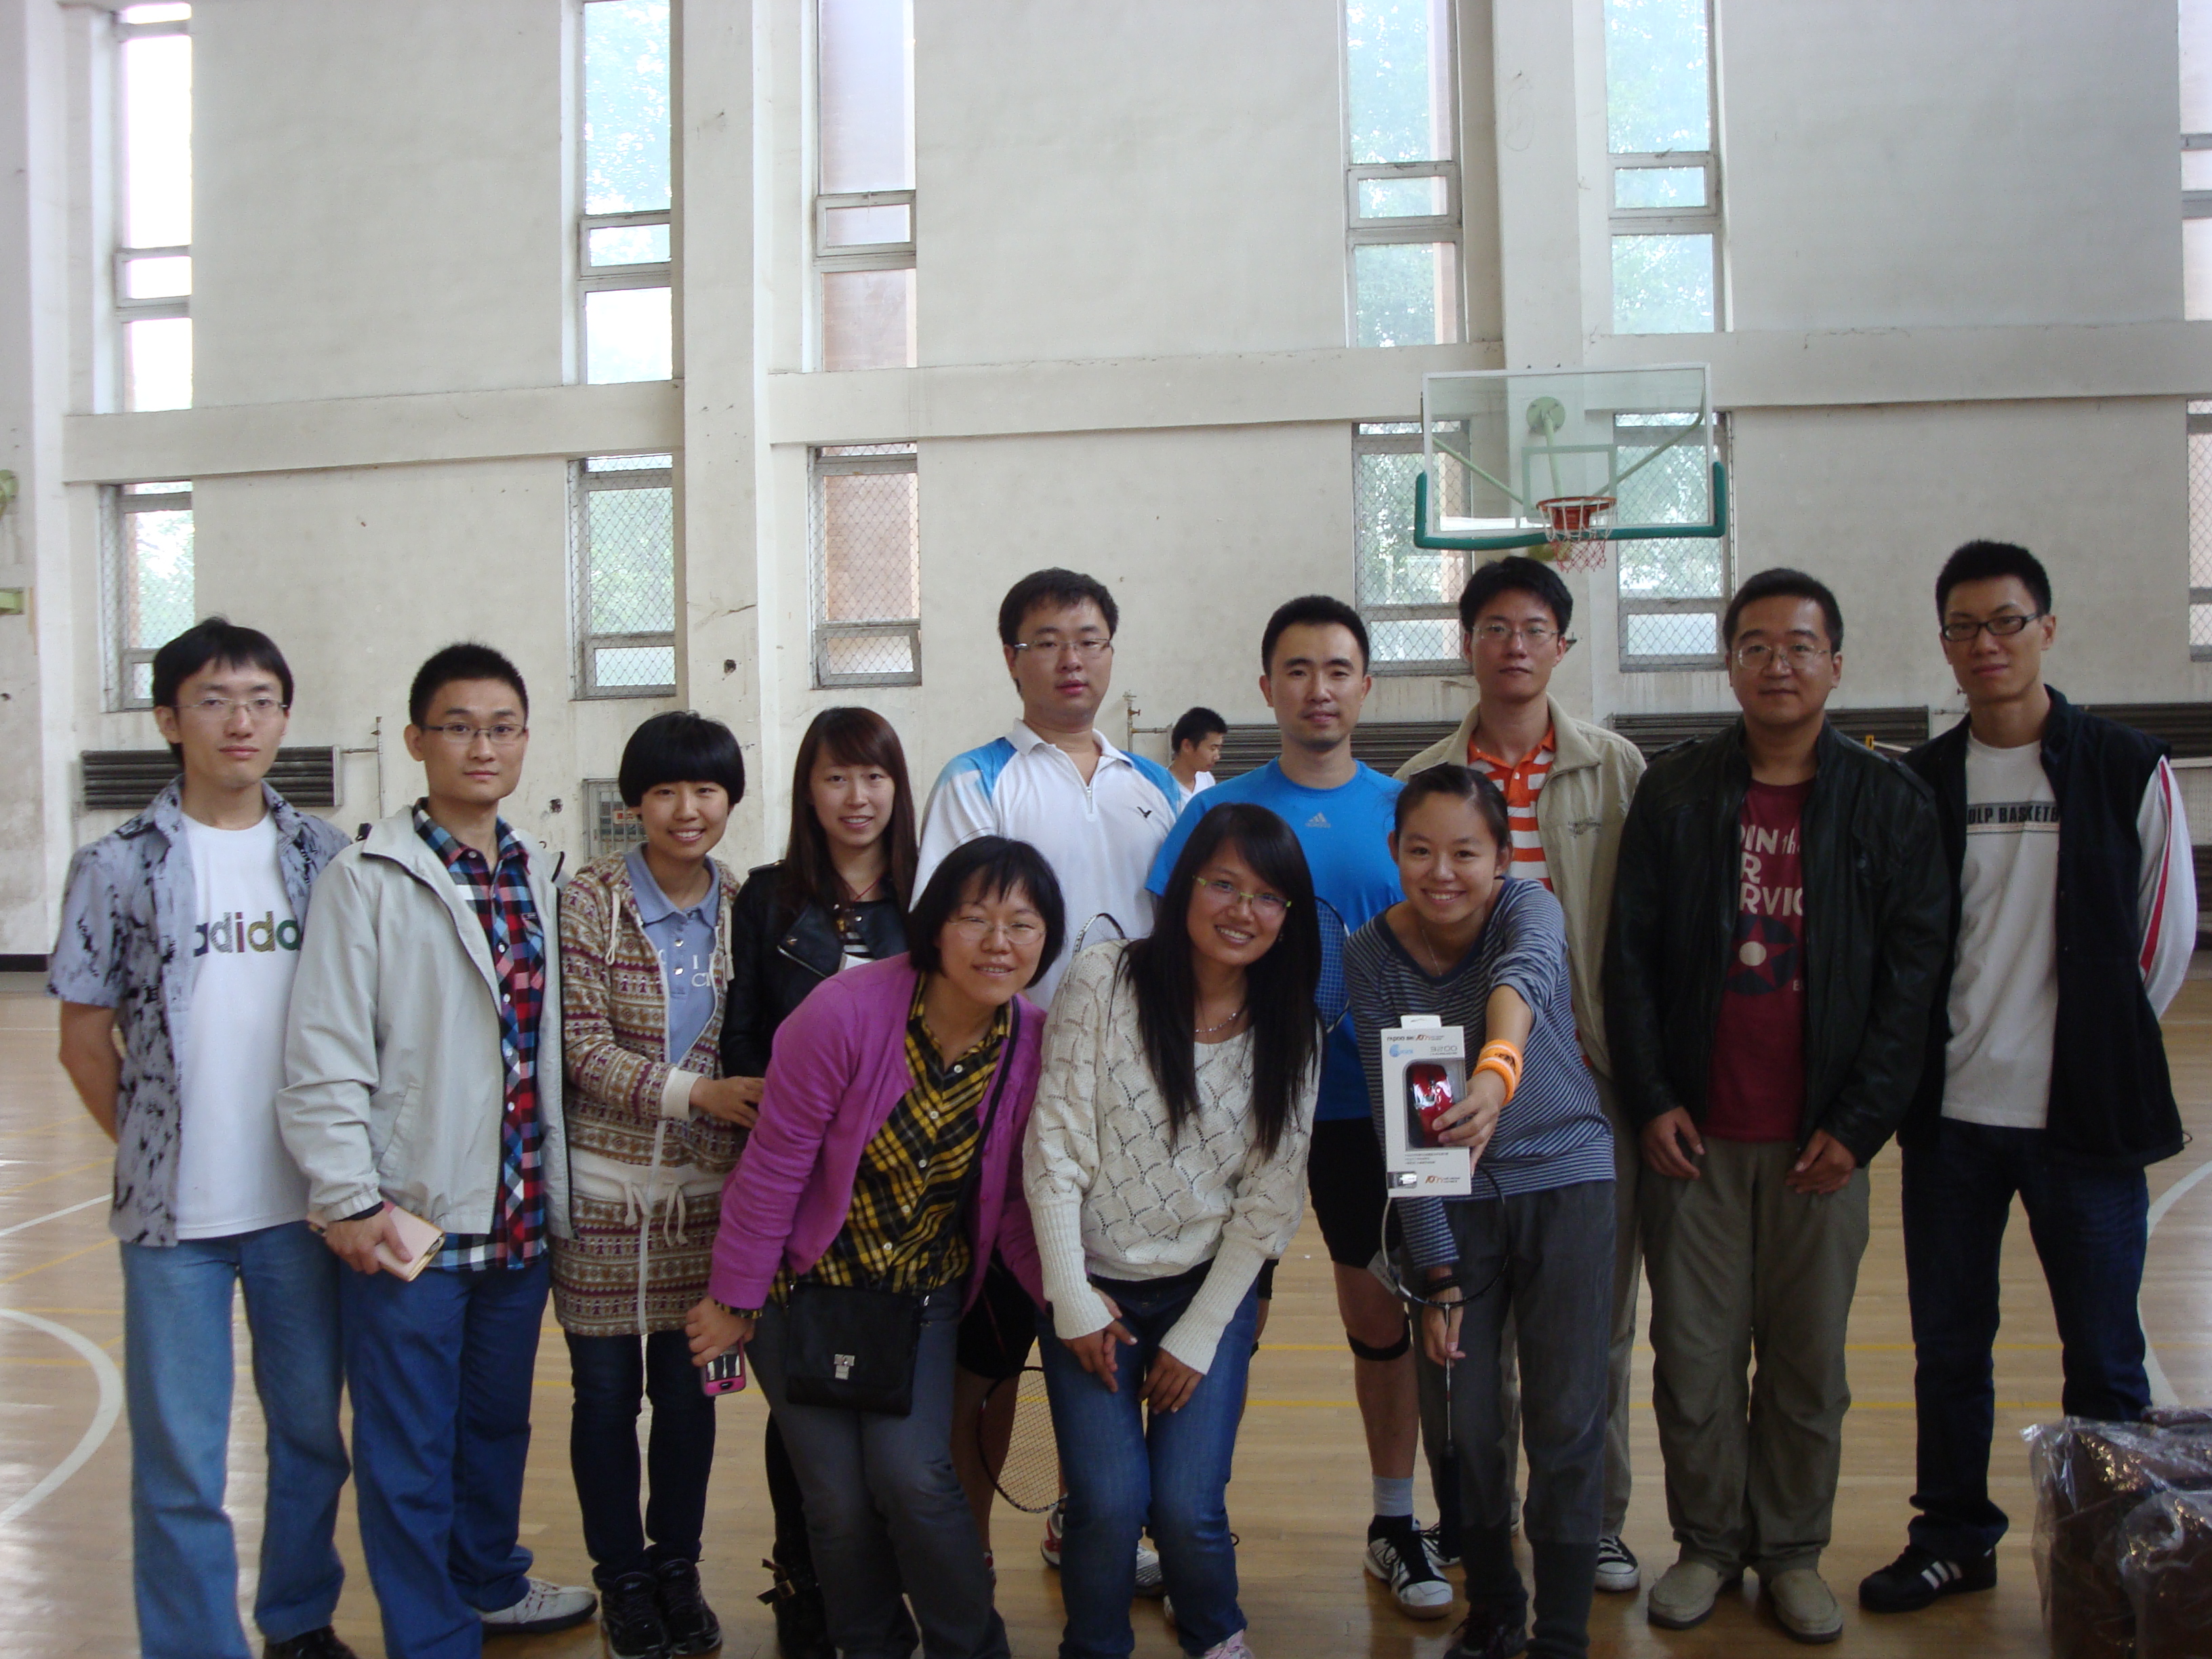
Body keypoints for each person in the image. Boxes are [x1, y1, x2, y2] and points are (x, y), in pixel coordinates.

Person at [1605, 569, 1948, 1642]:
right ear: (1730, 664)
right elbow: (1630, 960)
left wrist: (1861, 1125)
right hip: (1695, 1140)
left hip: (1820, 1147)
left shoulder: (1890, 801)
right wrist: (1653, 1098)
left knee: (1808, 1368)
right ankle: (1709, 1545)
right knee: (1694, 1365)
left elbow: (1912, 982)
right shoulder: (1677, 791)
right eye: (1755, 645)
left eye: (1800, 645)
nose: (1778, 664)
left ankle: (1793, 1552)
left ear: (1835, 664)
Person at [1860, 541, 2196, 1614]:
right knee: (1951, 1351)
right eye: (1964, 627)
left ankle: (2117, 1561)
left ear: (2046, 628)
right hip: (1951, 1125)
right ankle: (1955, 1537)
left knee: (2105, 1359)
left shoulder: (2127, 766)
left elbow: (2163, 936)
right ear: (1945, 644)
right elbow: (1900, 948)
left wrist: (2092, 1048)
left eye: (2006, 621)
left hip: (2085, 1125)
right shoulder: (1921, 784)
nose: (1986, 644)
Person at [279, 643, 595, 1658]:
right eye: (458, 727)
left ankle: (488, 1582)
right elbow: (324, 1050)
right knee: (408, 1446)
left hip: (518, 1218)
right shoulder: (366, 877)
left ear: (526, 740)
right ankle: (429, 1635)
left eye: (501, 727)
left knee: (496, 1425)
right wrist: (347, 1197)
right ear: (417, 741)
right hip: (408, 1217)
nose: (482, 747)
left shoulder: (542, 873)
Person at [49, 619, 356, 1659]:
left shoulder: (327, 856)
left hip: (304, 1210)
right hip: (173, 1224)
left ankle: (299, 1619)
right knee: (181, 1459)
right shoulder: (115, 865)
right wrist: (155, 1147)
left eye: (262, 701)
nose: (241, 721)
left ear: (285, 717)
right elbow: (84, 1042)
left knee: (311, 1435)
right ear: (168, 719)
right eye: (216, 700)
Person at [688, 838, 1064, 1659]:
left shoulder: (1032, 1042)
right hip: (800, 1295)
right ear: (933, 926)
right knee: (835, 1502)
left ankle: (972, 1648)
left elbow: (1011, 1203)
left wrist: (1065, 1302)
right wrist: (733, 1298)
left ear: (1047, 939)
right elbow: (775, 1166)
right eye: (975, 918)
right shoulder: (845, 1012)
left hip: (919, 1297)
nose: (998, 943)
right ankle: (872, 1646)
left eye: (1022, 924)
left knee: (916, 1480)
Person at [1149, 596, 1449, 1618]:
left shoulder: (1410, 809)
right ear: (1266, 685)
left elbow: (1449, 952)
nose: (1319, 689)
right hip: (1245, 1099)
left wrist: (1445, 1107)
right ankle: (1188, 1520)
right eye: (1297, 669)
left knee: (1387, 1307)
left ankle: (1398, 1520)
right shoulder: (1216, 816)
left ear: (1366, 685)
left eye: (1337, 669)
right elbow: (1170, 956)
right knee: (1225, 1308)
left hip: (1382, 1101)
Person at [1397, 557, 1648, 1594]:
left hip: (1586, 1095)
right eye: (1495, 626)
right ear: (1467, 644)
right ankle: (1474, 1524)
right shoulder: (1423, 777)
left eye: (1534, 628)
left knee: (1593, 1332)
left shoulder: (1618, 771)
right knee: (1456, 1321)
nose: (1514, 645)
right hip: (1448, 1096)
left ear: (1562, 647)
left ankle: (1592, 1525)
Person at [1027, 803, 1324, 1659]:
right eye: (1223, 884)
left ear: (1288, 917)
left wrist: (1199, 1333)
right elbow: (1055, 1148)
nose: (1242, 911)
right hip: (1093, 1291)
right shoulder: (1104, 977)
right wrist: (1072, 1297)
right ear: (1184, 885)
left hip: (1203, 1294)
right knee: (1108, 1505)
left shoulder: (1293, 1030)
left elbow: (1268, 1204)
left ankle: (1215, 1636)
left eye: (1267, 897)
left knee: (1190, 1510)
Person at [1349, 765, 1617, 1659]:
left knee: (1567, 1413)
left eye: (1466, 852)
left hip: (1565, 1183)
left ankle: (1563, 1632)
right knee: (1463, 1419)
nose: (1443, 873)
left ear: (1502, 858)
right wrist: (1436, 1273)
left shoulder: (1528, 911)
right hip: (1451, 1203)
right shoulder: (1372, 956)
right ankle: (1496, 1605)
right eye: (1421, 851)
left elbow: (1522, 981)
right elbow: (1402, 1126)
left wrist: (1496, 1075)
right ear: (1395, 853)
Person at [721, 705, 918, 1659]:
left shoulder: (926, 894)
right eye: (836, 777)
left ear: (897, 787)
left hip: (908, 1195)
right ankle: (800, 1584)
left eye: (873, 776)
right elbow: (745, 1040)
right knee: (803, 1404)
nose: (857, 796)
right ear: (808, 790)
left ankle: (877, 1594)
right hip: (802, 1191)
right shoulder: (768, 899)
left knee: (887, 1407)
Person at [554, 712, 752, 1659]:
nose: (686, 809)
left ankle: (677, 1568)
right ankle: (621, 1579)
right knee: (603, 1397)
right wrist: (697, 1093)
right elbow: (581, 1045)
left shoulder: (748, 904)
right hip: (601, 1199)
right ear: (634, 803)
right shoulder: (590, 900)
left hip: (709, 1208)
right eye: (665, 791)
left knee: (690, 1394)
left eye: (706, 789)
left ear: (729, 799)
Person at [916, 568, 1180, 1010]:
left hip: (1145, 1035)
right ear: (1011, 659)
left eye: (1090, 642)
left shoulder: (1161, 787)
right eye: (1047, 643)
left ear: (1110, 652)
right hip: (1021, 1040)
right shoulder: (973, 781)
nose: (1071, 660)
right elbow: (953, 935)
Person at [1168, 706, 1228, 802]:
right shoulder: (1162, 787)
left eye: (1219, 749)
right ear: (1187, 746)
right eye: (1212, 748)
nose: (1217, 757)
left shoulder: (1207, 779)